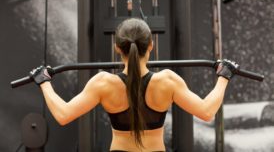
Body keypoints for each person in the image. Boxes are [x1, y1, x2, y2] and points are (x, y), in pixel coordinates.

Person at [30, 18, 239, 152]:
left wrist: (44, 82)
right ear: (151, 45)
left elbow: (63, 115)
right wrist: (224, 77)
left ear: (117, 48)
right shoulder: (167, 81)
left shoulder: (103, 83)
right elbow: (206, 111)